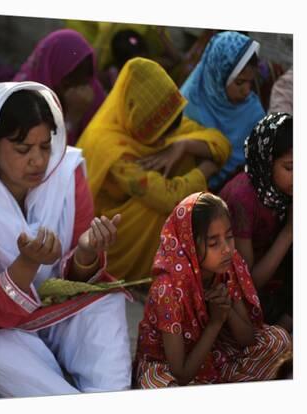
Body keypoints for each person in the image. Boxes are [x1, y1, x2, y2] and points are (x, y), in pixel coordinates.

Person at [0, 82, 133, 398]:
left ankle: (109, 393)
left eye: (45, 146)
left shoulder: (66, 173)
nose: (38, 161)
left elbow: (75, 281)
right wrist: (27, 264)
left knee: (107, 304)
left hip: (56, 308)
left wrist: (84, 254)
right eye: (23, 149)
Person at [76, 57, 231, 284]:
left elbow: (221, 143)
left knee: (186, 157)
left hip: (134, 212)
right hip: (106, 232)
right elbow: (168, 197)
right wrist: (207, 168)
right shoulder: (113, 149)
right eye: (163, 134)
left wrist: (182, 145)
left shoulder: (157, 118)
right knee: (162, 208)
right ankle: (153, 273)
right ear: (142, 120)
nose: (167, 139)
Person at [134, 192, 292, 388]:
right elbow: (181, 373)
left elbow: (247, 339)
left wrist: (227, 310)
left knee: (278, 340)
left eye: (229, 236)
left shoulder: (228, 264)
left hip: (216, 351)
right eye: (213, 243)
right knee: (163, 386)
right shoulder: (168, 289)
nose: (226, 248)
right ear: (189, 244)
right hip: (169, 366)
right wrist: (215, 323)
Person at [219, 113, 292, 332]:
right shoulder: (242, 199)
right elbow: (247, 284)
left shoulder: (283, 192)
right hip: (235, 298)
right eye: (290, 168)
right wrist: (289, 232)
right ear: (266, 162)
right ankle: (278, 337)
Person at [180, 31, 266, 191]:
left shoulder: (253, 112)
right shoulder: (190, 102)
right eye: (240, 82)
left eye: (251, 82)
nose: (247, 90)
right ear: (218, 75)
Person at [13, 29, 106, 146]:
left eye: (83, 81)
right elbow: (43, 157)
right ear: (51, 71)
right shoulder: (22, 99)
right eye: (69, 82)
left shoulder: (92, 90)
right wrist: (72, 120)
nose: (76, 91)